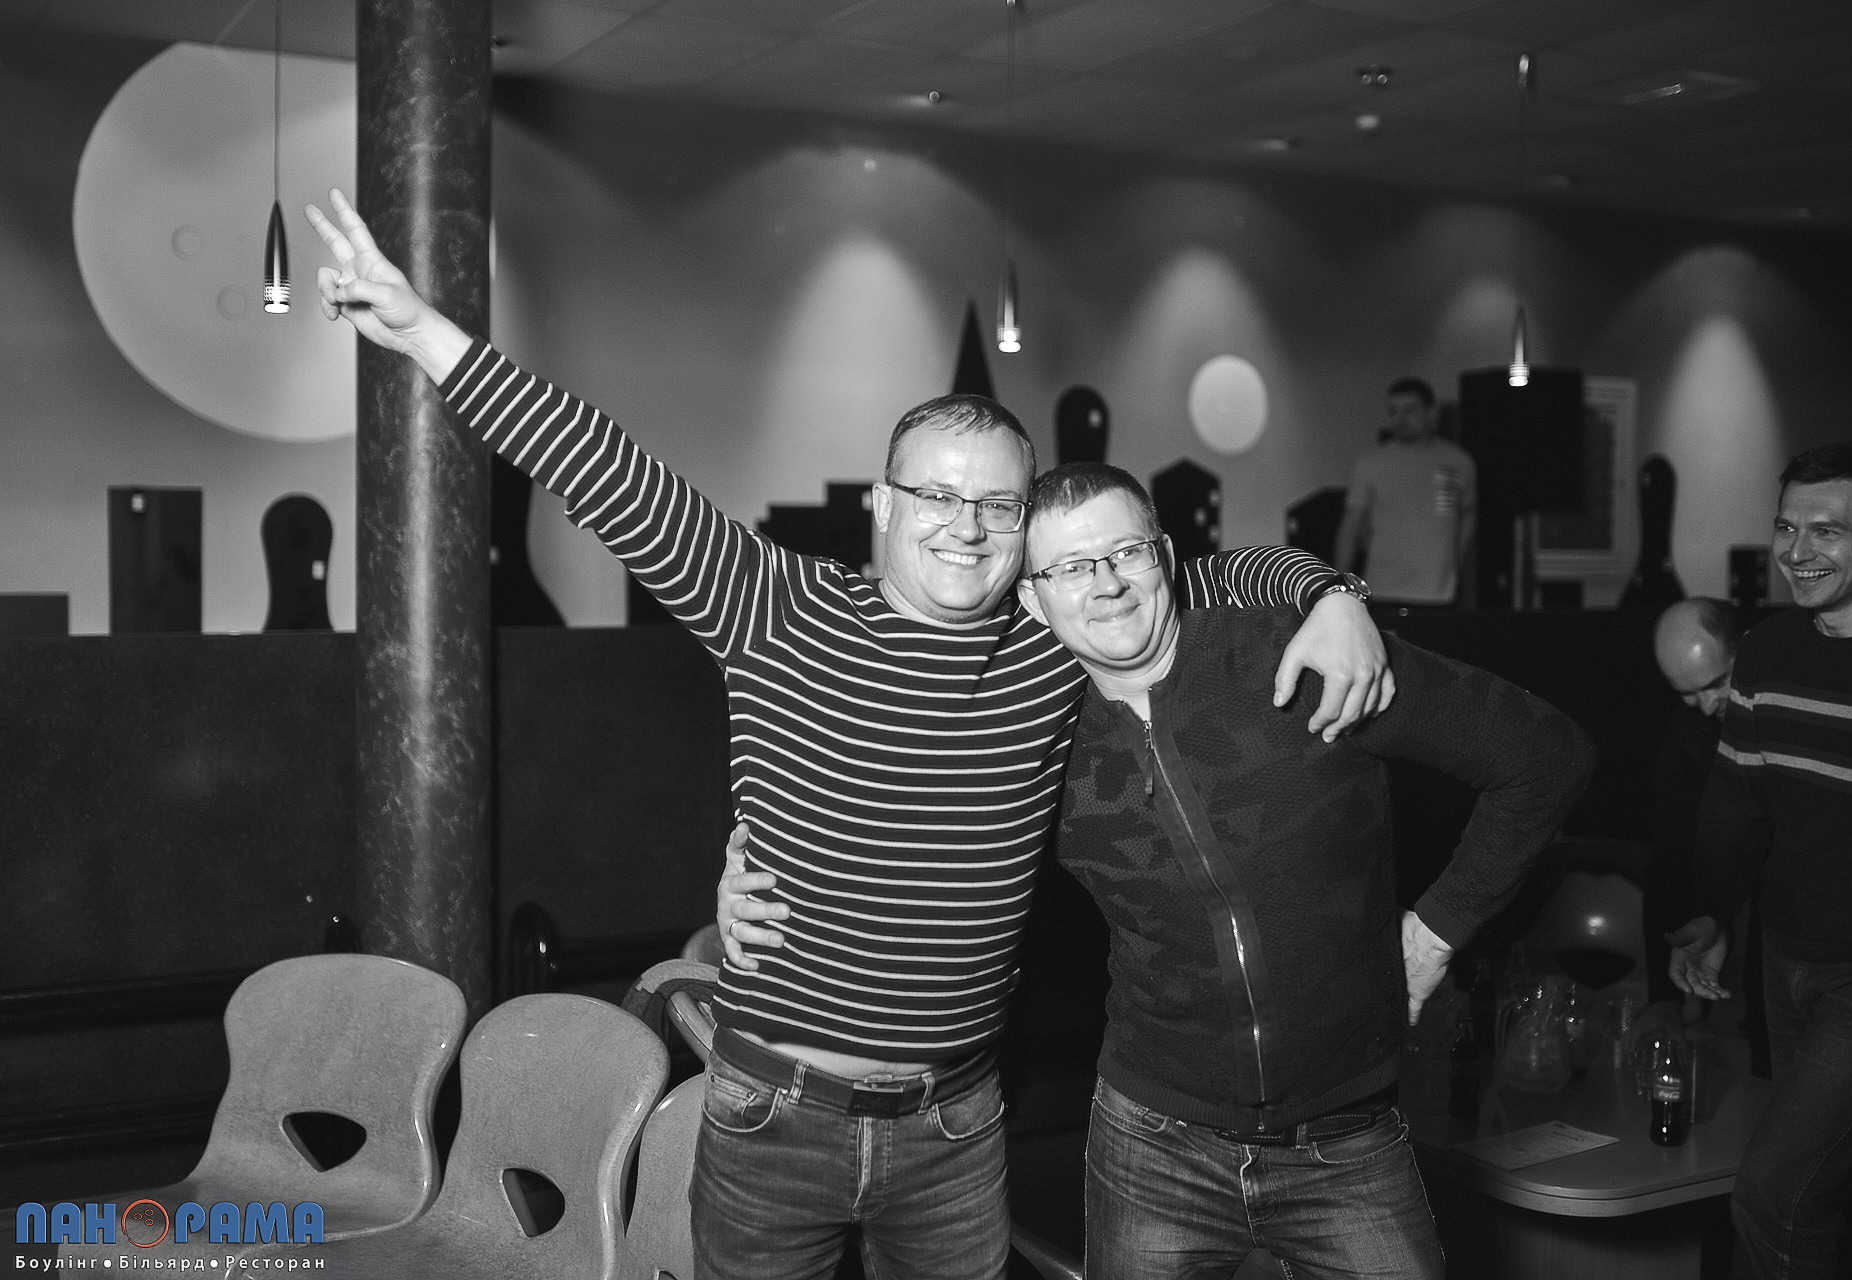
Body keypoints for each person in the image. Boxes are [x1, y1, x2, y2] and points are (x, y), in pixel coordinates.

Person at [303, 190, 1392, 1280]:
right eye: (938, 495)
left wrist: (1333, 593)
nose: (967, 525)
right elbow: (606, 470)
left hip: (958, 1124)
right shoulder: (775, 605)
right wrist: (425, 333)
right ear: (883, 504)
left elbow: (1213, 575)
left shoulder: (1055, 638)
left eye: (999, 505)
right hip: (775, 1113)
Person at [730, 462, 1593, 1279]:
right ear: (1032, 598)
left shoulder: (1300, 656)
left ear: (1166, 557)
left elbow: (1546, 758)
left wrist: (1437, 932)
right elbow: (890, 824)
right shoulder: (1029, 726)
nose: (1105, 584)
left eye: (1125, 553)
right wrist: (750, 874)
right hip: (1151, 1143)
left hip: (1348, 1138)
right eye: (1070, 568)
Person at [1670, 443, 1852, 1280]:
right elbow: (1736, 805)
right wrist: (1712, 916)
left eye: (1827, 530)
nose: (1796, 550)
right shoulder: (1769, 651)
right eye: (1785, 527)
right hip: (1786, 961)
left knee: (1776, 1194)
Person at [1643, 597, 1741, 1019]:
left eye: (1717, 682)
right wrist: (1664, 999)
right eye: (1687, 693)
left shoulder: (1799, 706)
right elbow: (1671, 854)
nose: (1706, 704)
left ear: (1745, 649)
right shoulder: (1688, 733)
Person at [1334, 376, 1476, 607]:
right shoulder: (1371, 463)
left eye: (1409, 410)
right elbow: (1351, 525)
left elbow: (1469, 513)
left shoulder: (1458, 462)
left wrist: (1453, 563)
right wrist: (1340, 585)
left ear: (1431, 412)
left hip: (1438, 591)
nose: (1400, 419)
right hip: (1382, 589)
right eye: (1393, 411)